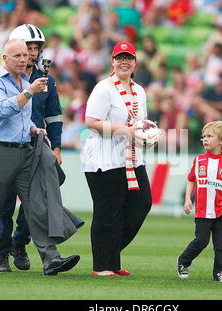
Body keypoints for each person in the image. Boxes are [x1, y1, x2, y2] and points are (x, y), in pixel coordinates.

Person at [0, 39, 79, 275]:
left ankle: (50, 258)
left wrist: (33, 130)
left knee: (36, 205)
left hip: (25, 150)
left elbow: (22, 118)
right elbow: (3, 110)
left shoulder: (23, 81)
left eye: (25, 55)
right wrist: (29, 91)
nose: (23, 59)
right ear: (5, 59)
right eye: (17, 56)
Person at [81, 42, 152, 276]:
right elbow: (91, 122)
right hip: (104, 158)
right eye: (120, 57)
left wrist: (146, 136)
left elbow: (140, 122)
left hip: (131, 158)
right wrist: (126, 131)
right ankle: (103, 265)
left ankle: (109, 256)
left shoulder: (139, 90)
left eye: (128, 58)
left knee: (142, 204)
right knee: (107, 211)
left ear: (135, 62)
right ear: (112, 61)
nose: (124, 62)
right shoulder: (104, 88)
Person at [177, 121, 222, 282]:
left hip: (221, 212)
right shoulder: (199, 160)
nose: (204, 139)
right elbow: (191, 180)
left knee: (221, 246)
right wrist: (188, 199)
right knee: (201, 241)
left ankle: (219, 273)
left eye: (209, 136)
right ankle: (183, 261)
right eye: (203, 136)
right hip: (203, 210)